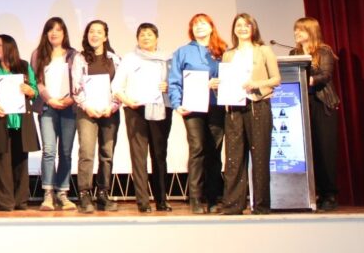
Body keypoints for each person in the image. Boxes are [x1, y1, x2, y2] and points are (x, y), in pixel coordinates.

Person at [220, 13, 279, 215]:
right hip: (234, 109)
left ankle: (261, 205)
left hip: (258, 105)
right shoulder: (229, 54)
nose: (242, 28)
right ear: (234, 29)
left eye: (246, 25)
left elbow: (276, 79)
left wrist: (256, 83)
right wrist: (218, 84)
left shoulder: (263, 50)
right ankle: (233, 205)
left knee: (260, 156)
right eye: (238, 25)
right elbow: (227, 80)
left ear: (253, 28)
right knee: (234, 158)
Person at [168, 13, 227, 214]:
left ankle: (213, 198)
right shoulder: (183, 52)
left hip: (216, 105)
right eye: (195, 24)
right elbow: (174, 80)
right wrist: (177, 104)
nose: (199, 27)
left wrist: (220, 82)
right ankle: (195, 198)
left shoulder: (222, 50)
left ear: (211, 27)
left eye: (203, 23)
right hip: (192, 107)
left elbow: (230, 76)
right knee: (197, 148)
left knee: (214, 151)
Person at [111, 23, 172, 213]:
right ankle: (143, 202)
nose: (146, 37)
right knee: (139, 156)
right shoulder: (130, 58)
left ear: (157, 38)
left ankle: (162, 200)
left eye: (150, 34)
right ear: (137, 38)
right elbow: (116, 86)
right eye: (142, 34)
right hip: (135, 110)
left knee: (159, 155)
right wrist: (128, 101)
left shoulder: (168, 58)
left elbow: (177, 83)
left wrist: (169, 86)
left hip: (161, 108)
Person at [0, 35, 40, 212]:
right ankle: (5, 202)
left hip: (21, 121)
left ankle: (21, 201)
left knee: (21, 162)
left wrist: (30, 90)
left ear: (10, 47)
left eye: (0, 45)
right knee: (1, 164)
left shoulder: (24, 66)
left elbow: (34, 90)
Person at [72, 20, 122, 213]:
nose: (95, 35)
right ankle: (84, 194)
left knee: (107, 153)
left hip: (110, 112)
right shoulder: (80, 58)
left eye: (99, 32)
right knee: (86, 152)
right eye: (91, 31)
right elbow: (76, 86)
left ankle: (103, 193)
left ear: (105, 36)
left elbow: (119, 86)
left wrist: (113, 106)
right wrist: (87, 107)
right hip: (87, 111)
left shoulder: (114, 59)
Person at [291, 17, 340, 211]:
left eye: (301, 30)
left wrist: (308, 80)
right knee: (307, 151)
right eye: (295, 30)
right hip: (301, 105)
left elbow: (325, 75)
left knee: (324, 150)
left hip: (322, 104)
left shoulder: (323, 51)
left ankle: (330, 194)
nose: (296, 33)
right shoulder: (293, 53)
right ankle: (314, 193)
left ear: (311, 31)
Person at [30, 17, 78, 211]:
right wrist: (49, 99)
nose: (54, 33)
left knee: (65, 152)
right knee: (49, 150)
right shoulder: (38, 54)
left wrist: (72, 99)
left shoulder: (74, 55)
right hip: (47, 107)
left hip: (69, 107)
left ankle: (63, 192)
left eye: (58, 29)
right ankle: (48, 193)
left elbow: (79, 81)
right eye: (50, 29)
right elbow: (37, 81)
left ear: (64, 33)